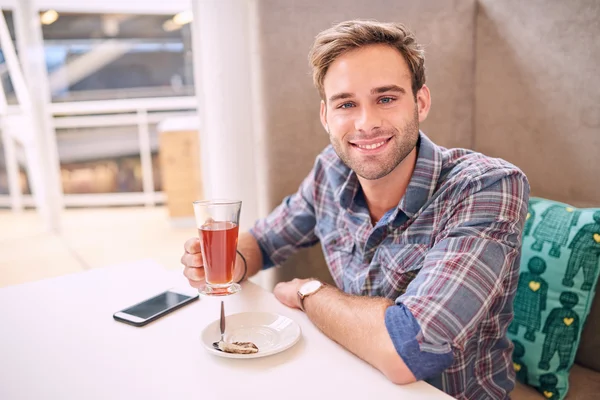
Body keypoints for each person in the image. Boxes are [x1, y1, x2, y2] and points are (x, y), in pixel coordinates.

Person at [181, 20, 530, 399]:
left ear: (421, 102)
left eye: (386, 98)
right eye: (346, 104)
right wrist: (229, 263)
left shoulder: (487, 186)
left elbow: (409, 352)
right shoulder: (331, 169)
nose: (366, 123)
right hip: (348, 380)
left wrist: (308, 292)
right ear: (326, 116)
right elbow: (264, 242)